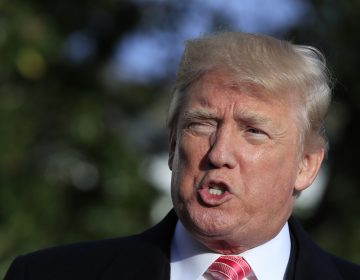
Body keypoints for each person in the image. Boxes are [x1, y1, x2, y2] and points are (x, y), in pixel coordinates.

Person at [4, 31, 360, 280]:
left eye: (253, 131)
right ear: (173, 145)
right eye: (202, 124)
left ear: (306, 165)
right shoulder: (45, 275)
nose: (219, 153)